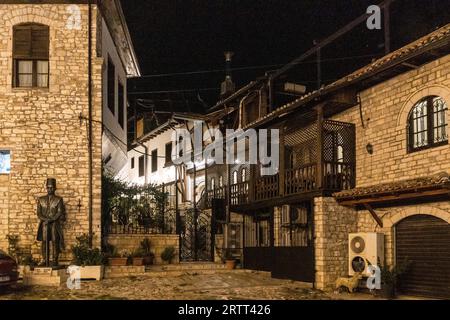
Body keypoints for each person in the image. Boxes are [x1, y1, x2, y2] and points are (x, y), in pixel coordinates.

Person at [36, 178, 65, 267]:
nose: (50, 189)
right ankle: (44, 259)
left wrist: (52, 219)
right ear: (46, 188)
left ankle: (54, 259)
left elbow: (60, 211)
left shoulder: (59, 199)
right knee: (44, 241)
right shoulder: (41, 199)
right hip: (44, 223)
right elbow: (39, 213)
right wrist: (45, 219)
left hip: (54, 224)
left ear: (55, 188)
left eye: (52, 187)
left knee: (55, 241)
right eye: (48, 187)